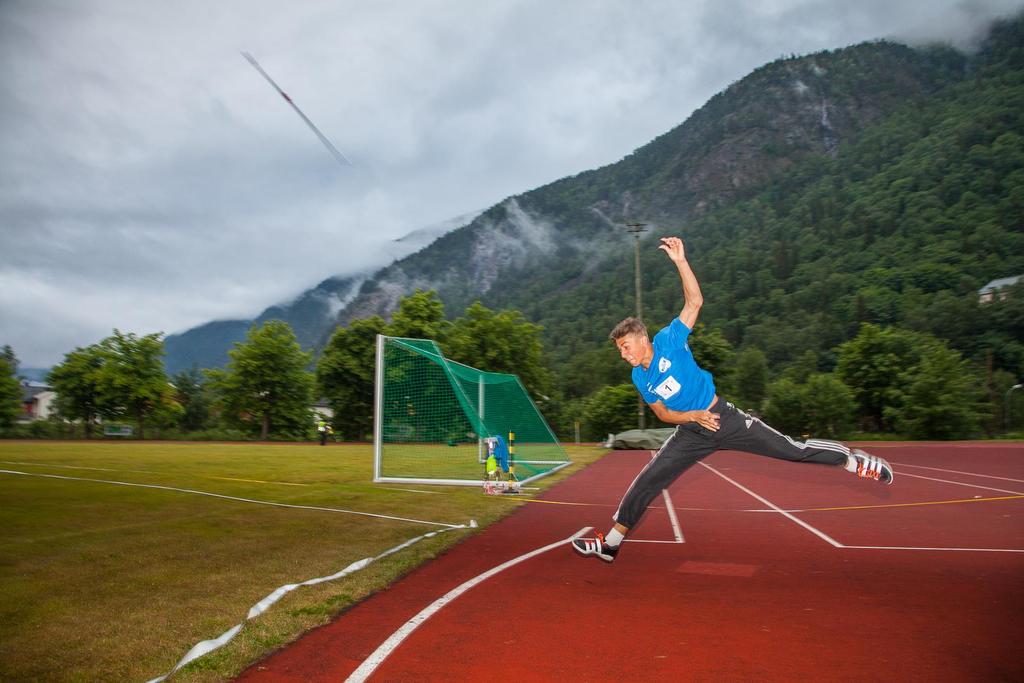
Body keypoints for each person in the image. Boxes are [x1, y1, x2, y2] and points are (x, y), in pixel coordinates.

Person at [572, 236, 893, 563]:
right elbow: (664, 414)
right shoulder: (640, 377)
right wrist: (693, 418)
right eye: (619, 350)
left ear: (641, 338)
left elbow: (694, 302)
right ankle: (610, 543)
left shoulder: (669, 339)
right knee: (649, 479)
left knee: (790, 449)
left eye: (625, 346)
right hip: (691, 431)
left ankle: (853, 461)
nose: (623, 354)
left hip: (724, 418)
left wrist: (681, 262)